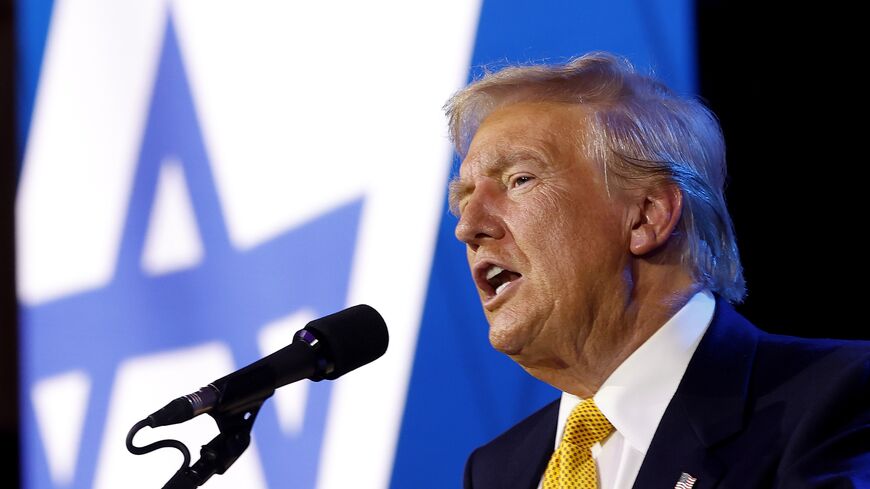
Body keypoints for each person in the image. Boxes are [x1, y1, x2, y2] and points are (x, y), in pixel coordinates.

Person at [446, 52, 869, 489]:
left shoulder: (840, 397)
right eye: (463, 199)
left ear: (648, 216)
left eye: (520, 180)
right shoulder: (497, 470)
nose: (468, 226)